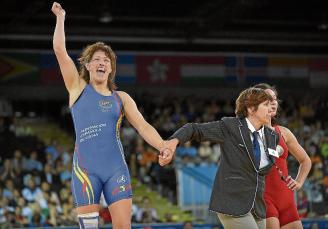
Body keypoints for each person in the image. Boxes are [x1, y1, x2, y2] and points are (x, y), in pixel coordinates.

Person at [51, 2, 169, 228]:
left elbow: (143, 127)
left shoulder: (122, 98)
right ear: (87, 65)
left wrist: (162, 146)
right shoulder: (77, 88)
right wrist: (60, 18)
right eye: (96, 59)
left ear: (111, 68)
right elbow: (59, 50)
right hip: (85, 171)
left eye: (106, 60)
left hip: (116, 170)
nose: (101, 62)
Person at [160, 87, 279, 229]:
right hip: (232, 202)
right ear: (251, 109)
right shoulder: (231, 127)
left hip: (258, 207)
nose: (270, 109)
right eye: (265, 105)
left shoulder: (273, 136)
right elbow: (194, 129)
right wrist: (173, 142)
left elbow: (262, 170)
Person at [254, 83, 311, 229]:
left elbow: (305, 160)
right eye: (267, 99)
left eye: (274, 99)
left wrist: (299, 181)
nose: (273, 102)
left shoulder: (284, 132)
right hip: (264, 198)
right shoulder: (248, 134)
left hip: (287, 199)